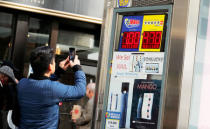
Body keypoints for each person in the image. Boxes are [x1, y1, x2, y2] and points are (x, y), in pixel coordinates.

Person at [17, 46, 86, 129]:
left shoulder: (22, 84)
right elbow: (80, 90)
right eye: (54, 61)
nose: (55, 63)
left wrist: (59, 72)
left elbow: (40, 81)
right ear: (50, 66)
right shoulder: (53, 89)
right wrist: (77, 68)